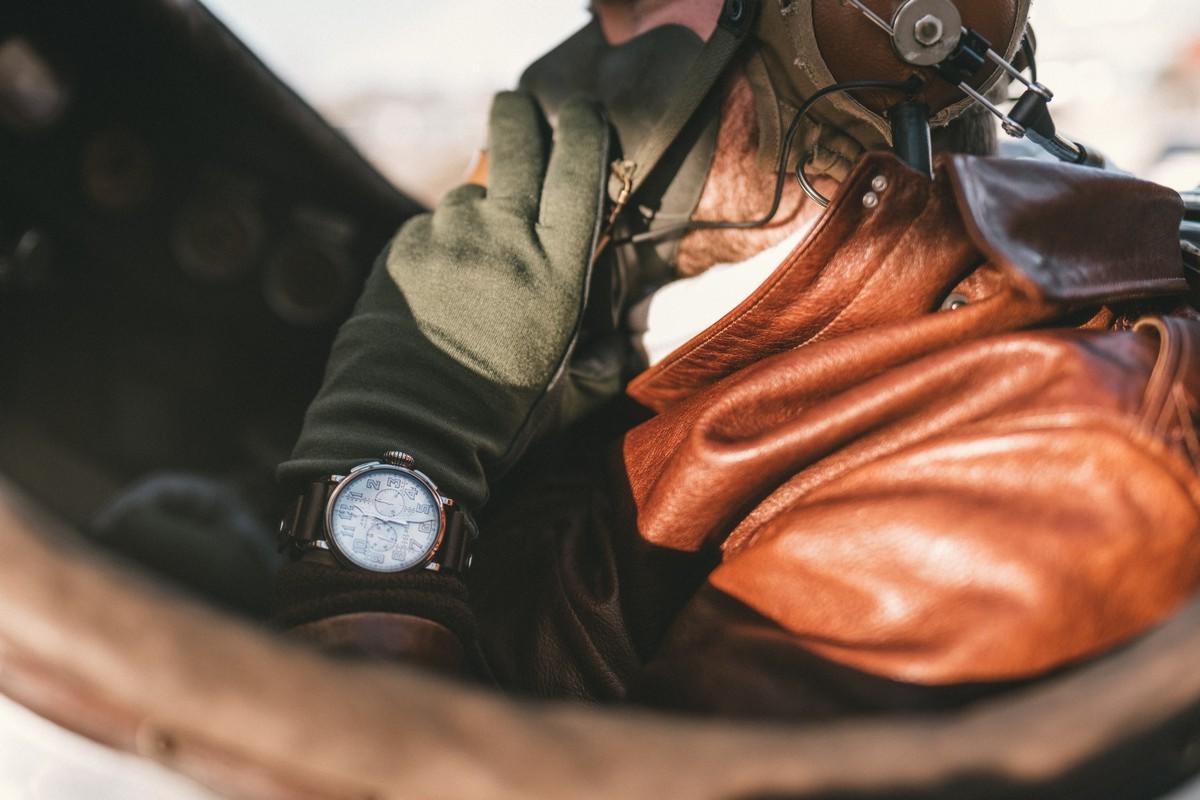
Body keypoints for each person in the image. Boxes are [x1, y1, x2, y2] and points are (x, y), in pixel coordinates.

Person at [273, 0, 1200, 719]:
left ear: (881, 30)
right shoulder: (712, 325)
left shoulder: (1067, 460)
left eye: (644, 1)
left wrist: (376, 615)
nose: (595, 40)